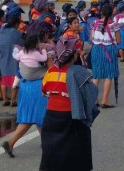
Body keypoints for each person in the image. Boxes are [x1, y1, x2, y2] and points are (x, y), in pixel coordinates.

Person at [40, 37, 100, 170]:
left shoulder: (50, 72)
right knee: (75, 155)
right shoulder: (78, 72)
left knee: (52, 154)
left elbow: (44, 92)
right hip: (71, 117)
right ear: (74, 55)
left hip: (51, 118)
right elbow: (92, 93)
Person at [2, 33, 49, 158]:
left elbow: (16, 56)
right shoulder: (41, 53)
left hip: (25, 85)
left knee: (37, 116)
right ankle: (10, 142)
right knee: (33, 117)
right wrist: (45, 50)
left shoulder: (22, 52)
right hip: (36, 87)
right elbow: (46, 61)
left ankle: (46, 142)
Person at [90, 4, 120, 108]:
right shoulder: (114, 25)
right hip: (109, 50)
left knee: (96, 75)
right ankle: (105, 101)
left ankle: (94, 100)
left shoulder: (94, 23)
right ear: (111, 12)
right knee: (109, 75)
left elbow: (91, 37)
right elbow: (118, 40)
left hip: (96, 49)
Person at [0, 13, 24, 106]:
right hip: (14, 59)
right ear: (16, 24)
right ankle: (13, 100)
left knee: (4, 80)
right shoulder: (16, 33)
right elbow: (21, 46)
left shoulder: (0, 32)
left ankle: (5, 99)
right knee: (15, 80)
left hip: (3, 58)